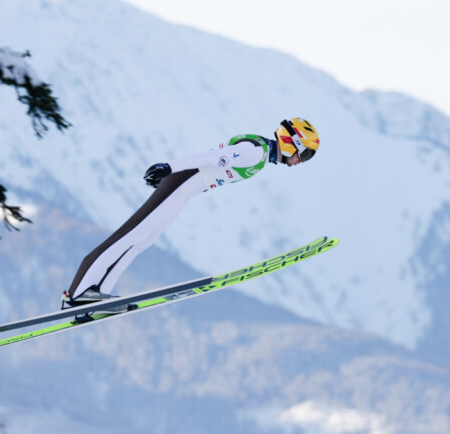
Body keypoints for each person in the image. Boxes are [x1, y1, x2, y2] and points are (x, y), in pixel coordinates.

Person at [61, 117, 320, 309]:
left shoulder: (262, 155)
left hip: (185, 191)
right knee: (129, 235)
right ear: (292, 142)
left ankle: (97, 295)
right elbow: (210, 158)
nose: (302, 161)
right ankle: (77, 294)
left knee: (143, 240)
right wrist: (168, 168)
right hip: (181, 183)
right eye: (305, 153)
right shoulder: (255, 152)